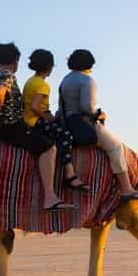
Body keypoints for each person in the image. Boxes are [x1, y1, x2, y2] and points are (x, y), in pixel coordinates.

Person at [0, 42, 72, 211]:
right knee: (49, 147)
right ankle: (50, 197)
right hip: (11, 128)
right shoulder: (6, 76)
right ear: (15, 61)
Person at [58, 49, 138, 202]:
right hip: (82, 122)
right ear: (90, 64)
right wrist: (100, 114)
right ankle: (126, 188)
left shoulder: (65, 80)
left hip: (66, 122)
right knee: (116, 146)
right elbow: (87, 107)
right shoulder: (87, 80)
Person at [22, 49, 88, 193]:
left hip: (27, 119)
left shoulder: (31, 81)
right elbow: (34, 107)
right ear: (50, 67)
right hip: (34, 121)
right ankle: (70, 174)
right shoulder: (43, 85)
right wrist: (49, 119)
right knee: (65, 135)